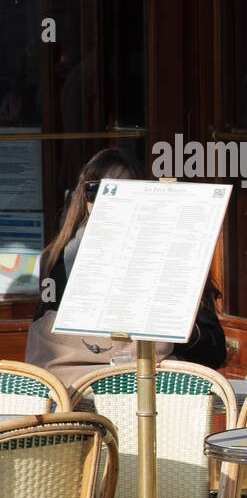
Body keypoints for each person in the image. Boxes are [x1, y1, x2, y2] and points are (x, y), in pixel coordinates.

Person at [26, 148, 227, 386]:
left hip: (154, 392)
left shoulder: (172, 254)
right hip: (76, 398)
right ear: (83, 198)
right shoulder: (56, 260)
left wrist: (165, 324)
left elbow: (213, 349)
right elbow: (44, 336)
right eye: (96, 190)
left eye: (123, 192)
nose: (107, 200)